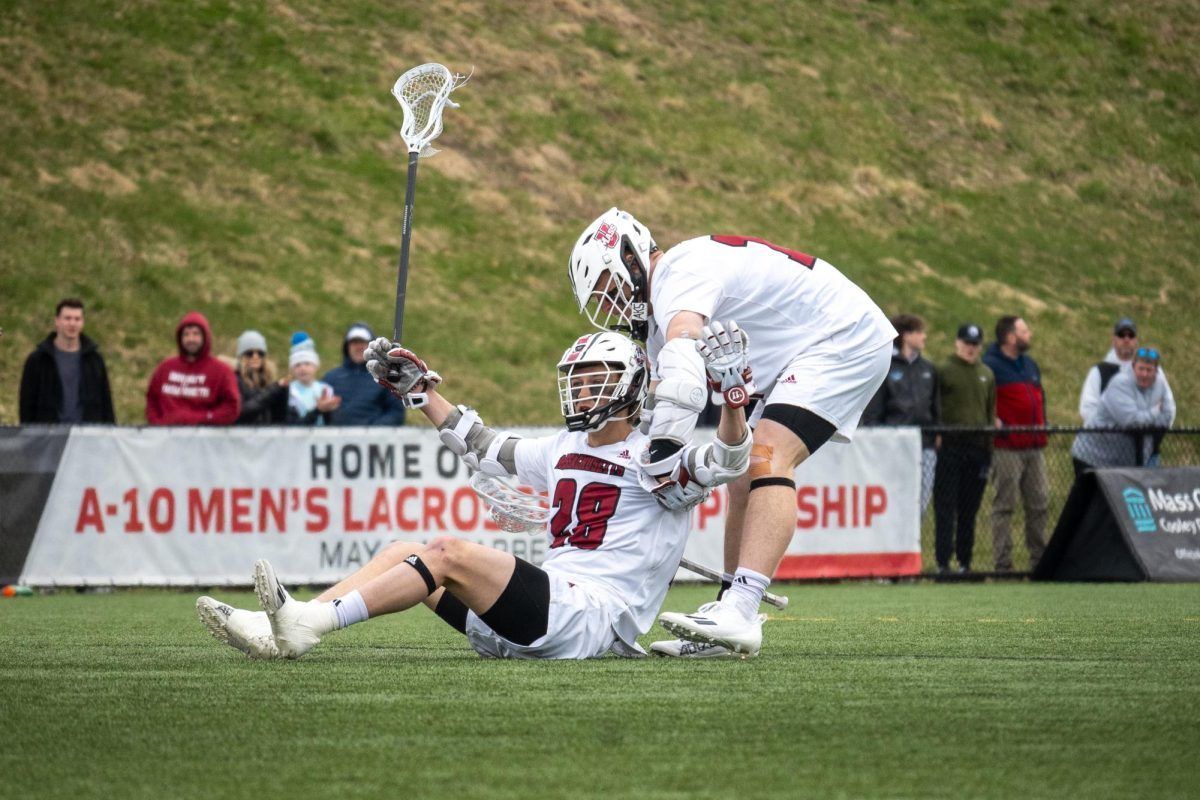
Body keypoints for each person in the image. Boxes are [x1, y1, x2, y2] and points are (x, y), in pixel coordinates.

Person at [195, 327, 753, 660]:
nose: (582, 388)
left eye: (597, 377)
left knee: (446, 552)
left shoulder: (653, 456)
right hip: (543, 611)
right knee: (400, 550)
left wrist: (731, 401)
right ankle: (284, 628)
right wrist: (419, 393)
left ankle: (309, 626)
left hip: (589, 619)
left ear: (630, 386)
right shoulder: (563, 446)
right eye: (578, 378)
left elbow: (728, 460)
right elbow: (482, 446)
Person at [567, 208, 895, 654]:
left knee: (767, 456)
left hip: (843, 336)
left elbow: (682, 369)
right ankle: (728, 608)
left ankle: (741, 607)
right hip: (807, 344)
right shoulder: (668, 303)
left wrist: (666, 454)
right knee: (742, 474)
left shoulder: (677, 274)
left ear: (630, 259)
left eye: (609, 291)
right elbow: (641, 419)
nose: (612, 308)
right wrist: (577, 476)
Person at [983, 316, 1048, 572]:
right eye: (1024, 330)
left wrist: (1045, 425)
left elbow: (1040, 399)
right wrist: (995, 422)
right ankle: (1003, 564)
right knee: (1004, 505)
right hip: (1007, 447)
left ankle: (1040, 562)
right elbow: (985, 401)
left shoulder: (1029, 365)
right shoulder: (990, 366)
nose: (1028, 334)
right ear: (1011, 337)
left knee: (1040, 503)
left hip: (1034, 446)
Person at [932, 323, 995, 574]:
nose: (971, 348)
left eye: (975, 344)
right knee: (946, 506)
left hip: (978, 448)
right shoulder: (944, 370)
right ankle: (942, 563)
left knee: (969, 509)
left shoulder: (986, 374)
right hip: (950, 446)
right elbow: (935, 406)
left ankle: (965, 563)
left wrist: (989, 446)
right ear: (958, 343)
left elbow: (991, 411)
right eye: (967, 343)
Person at [861, 313, 939, 514]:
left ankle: (912, 546)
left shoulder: (928, 368)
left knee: (920, 504)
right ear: (906, 335)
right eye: (919, 332)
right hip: (894, 448)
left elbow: (935, 407)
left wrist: (936, 433)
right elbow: (873, 412)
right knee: (895, 505)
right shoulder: (886, 366)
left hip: (925, 446)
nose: (924, 337)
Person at [1078, 316, 1176, 466]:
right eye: (1121, 335)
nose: (1126, 339)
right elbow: (1088, 409)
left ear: (1136, 340)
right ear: (1114, 339)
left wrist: (1151, 435)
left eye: (1130, 335)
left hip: (1147, 454)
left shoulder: (1156, 374)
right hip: (1108, 455)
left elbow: (1168, 409)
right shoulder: (1099, 371)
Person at [19, 298, 115, 424]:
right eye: (67, 318)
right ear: (57, 321)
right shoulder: (38, 360)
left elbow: (106, 402)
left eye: (77, 319)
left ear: (82, 322)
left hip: (88, 435)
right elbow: (26, 404)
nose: (72, 324)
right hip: (49, 437)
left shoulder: (94, 360)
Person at [145, 311, 241, 425]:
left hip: (204, 439)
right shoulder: (164, 368)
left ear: (205, 337)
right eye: (186, 334)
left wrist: (206, 418)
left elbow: (231, 408)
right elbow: (152, 400)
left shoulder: (221, 371)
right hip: (167, 438)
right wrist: (157, 425)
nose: (191, 339)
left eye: (196, 334)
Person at [322, 323, 406, 426]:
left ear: (371, 346)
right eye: (354, 343)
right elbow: (315, 416)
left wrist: (371, 432)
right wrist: (321, 409)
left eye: (363, 342)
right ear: (347, 347)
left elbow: (396, 413)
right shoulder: (331, 379)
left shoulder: (385, 377)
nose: (359, 347)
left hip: (374, 440)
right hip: (335, 439)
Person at [233, 330, 289, 425]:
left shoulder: (268, 380)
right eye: (250, 353)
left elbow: (280, 418)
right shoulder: (235, 380)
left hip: (266, 436)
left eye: (260, 353)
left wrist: (283, 392)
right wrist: (274, 389)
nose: (255, 357)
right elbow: (242, 412)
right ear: (241, 356)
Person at [286, 332, 340, 425]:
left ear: (315, 366)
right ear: (292, 369)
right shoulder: (290, 391)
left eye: (307, 363)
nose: (302, 368)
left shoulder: (326, 390)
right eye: (297, 365)